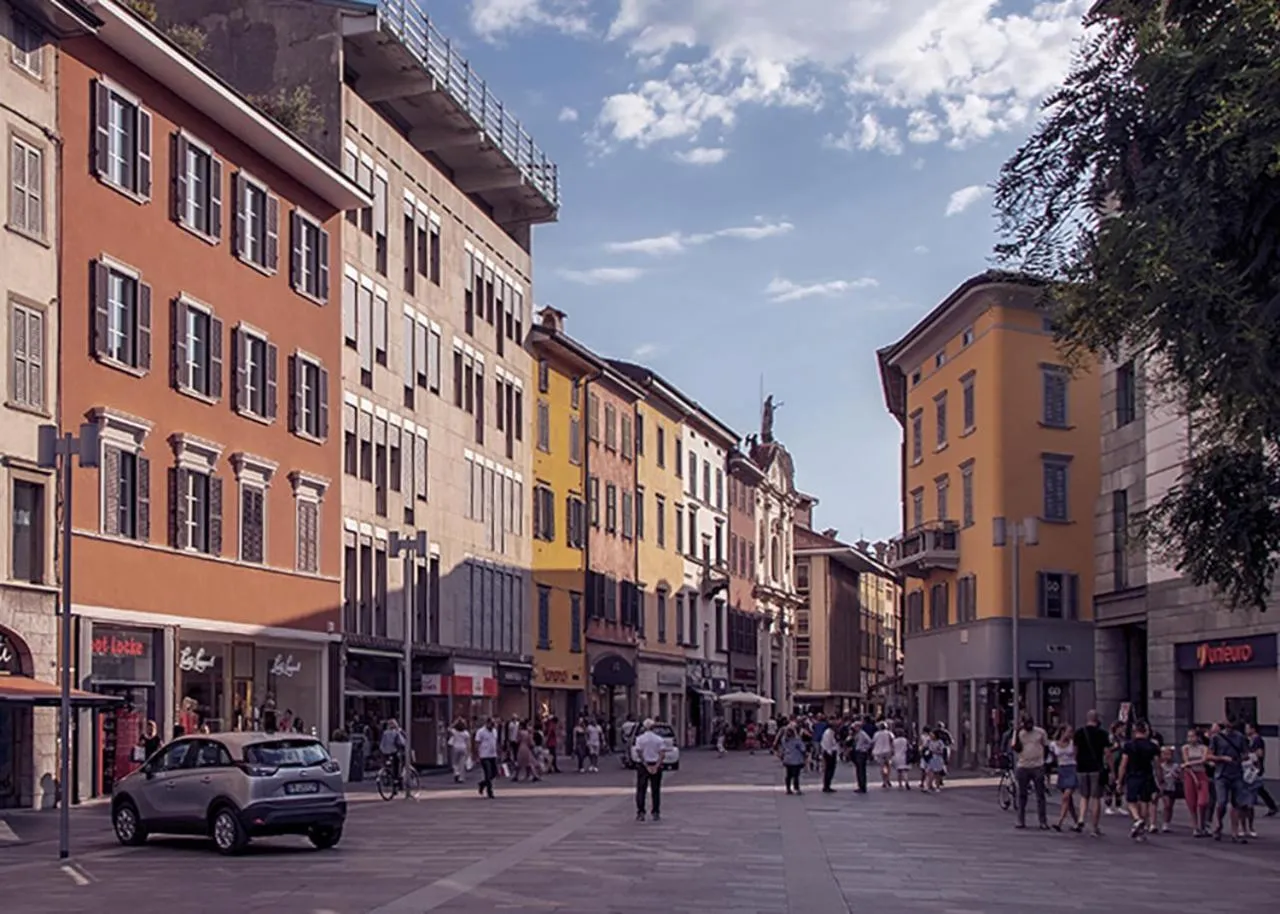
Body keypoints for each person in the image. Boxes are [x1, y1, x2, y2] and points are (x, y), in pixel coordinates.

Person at [1117, 719, 1159, 841]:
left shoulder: (1129, 745)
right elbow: (1157, 764)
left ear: (1135, 731)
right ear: (1146, 731)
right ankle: (1142, 829)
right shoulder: (1152, 746)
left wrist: (1119, 780)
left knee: (1131, 801)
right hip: (1147, 775)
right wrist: (1160, 779)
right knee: (1145, 801)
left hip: (1133, 775)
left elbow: (1123, 764)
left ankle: (1137, 819)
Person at [1208, 718, 1249, 842]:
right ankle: (1218, 824)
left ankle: (1235, 832)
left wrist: (1243, 758)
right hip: (1221, 774)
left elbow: (1245, 753)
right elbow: (1209, 755)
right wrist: (1222, 758)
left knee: (1237, 803)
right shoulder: (1216, 738)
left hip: (1236, 773)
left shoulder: (1240, 737)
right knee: (1222, 802)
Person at [1011, 714, 1049, 830]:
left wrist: (1044, 761)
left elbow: (1046, 746)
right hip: (1023, 766)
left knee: (1040, 794)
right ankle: (1020, 820)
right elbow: (1016, 748)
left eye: (1030, 723)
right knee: (1022, 795)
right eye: (1026, 724)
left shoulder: (1040, 732)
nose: (1029, 726)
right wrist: (1017, 732)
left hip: (1038, 765)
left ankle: (1043, 821)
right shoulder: (1019, 733)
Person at [633, 719, 668, 821]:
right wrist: (657, 765)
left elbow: (639, 753)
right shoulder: (659, 739)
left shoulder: (640, 739)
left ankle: (641, 812)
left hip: (643, 766)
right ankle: (655, 812)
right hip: (655, 763)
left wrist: (646, 765)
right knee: (655, 790)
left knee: (641, 790)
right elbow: (662, 754)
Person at [474, 717, 499, 799]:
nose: (492, 726)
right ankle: (490, 791)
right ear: (487, 723)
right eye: (491, 724)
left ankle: (482, 784)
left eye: (493, 725)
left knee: (494, 773)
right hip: (484, 755)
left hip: (493, 755)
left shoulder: (494, 731)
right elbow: (477, 743)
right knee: (487, 773)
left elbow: (495, 742)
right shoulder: (481, 732)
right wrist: (477, 755)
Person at [379, 718, 408, 789]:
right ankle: (398, 782)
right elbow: (403, 742)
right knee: (398, 767)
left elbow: (382, 744)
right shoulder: (398, 732)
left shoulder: (385, 732)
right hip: (395, 752)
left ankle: (387, 775)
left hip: (386, 753)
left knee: (388, 765)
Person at [780, 725, 806, 795]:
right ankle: (796, 789)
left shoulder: (784, 739)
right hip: (796, 760)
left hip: (787, 759)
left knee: (788, 775)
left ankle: (788, 789)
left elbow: (782, 749)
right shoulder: (797, 740)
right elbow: (803, 749)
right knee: (796, 775)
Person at [819, 718, 840, 793]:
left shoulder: (831, 733)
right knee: (829, 770)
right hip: (829, 753)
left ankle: (827, 785)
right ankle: (826, 786)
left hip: (830, 752)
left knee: (830, 770)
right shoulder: (828, 733)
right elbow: (827, 744)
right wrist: (830, 752)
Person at [448, 718, 471, 783]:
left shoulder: (455, 732)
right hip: (463, 748)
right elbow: (468, 743)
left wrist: (455, 723)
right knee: (462, 763)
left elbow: (449, 728)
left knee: (455, 762)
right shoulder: (466, 733)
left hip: (455, 747)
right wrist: (469, 751)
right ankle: (461, 778)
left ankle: (456, 772)